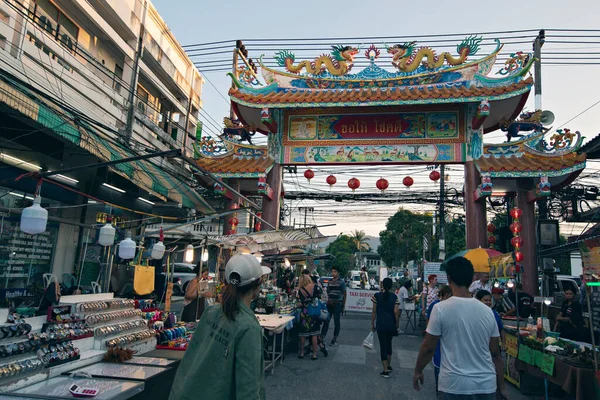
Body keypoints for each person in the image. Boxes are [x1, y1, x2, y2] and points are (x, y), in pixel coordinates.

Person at [169, 254, 271, 400]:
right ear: (258, 284)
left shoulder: (211, 311)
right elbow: (248, 389)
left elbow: (193, 354)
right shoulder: (248, 327)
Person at [413, 256, 507, 400]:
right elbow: (495, 353)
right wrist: (502, 387)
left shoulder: (440, 309)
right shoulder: (488, 312)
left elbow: (428, 347)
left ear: (449, 279)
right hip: (485, 385)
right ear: (471, 280)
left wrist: (418, 370)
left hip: (453, 385)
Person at [370, 278, 400, 378]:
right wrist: (396, 324)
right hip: (391, 324)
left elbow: (374, 311)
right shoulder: (394, 297)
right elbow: (396, 312)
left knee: (383, 345)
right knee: (389, 344)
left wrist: (372, 324)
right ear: (391, 286)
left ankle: (385, 369)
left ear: (382, 285)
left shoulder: (376, 296)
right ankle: (389, 365)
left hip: (381, 324)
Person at [426, 285, 453, 396]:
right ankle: (439, 390)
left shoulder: (452, 306)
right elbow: (429, 321)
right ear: (446, 294)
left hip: (447, 340)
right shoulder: (435, 306)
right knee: (438, 364)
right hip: (438, 340)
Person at [297, 273, 323, 360]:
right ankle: (315, 354)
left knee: (303, 334)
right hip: (313, 312)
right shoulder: (315, 286)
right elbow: (320, 296)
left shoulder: (300, 290)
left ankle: (301, 353)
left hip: (304, 312)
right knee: (314, 334)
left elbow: (300, 302)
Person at [322, 266, 346, 347]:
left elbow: (344, 293)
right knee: (326, 320)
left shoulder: (341, 282)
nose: (333, 273)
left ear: (338, 273)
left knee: (336, 321)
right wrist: (328, 300)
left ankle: (334, 338)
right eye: (332, 271)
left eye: (335, 271)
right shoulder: (330, 281)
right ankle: (322, 337)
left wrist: (343, 305)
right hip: (330, 304)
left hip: (337, 304)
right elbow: (328, 292)